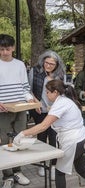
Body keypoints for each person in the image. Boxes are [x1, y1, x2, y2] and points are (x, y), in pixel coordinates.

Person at [13, 80, 85, 188]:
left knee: (59, 172)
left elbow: (43, 126)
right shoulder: (67, 100)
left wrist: (22, 133)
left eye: (47, 92)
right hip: (83, 138)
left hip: (74, 141)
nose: (46, 94)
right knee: (81, 169)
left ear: (55, 92)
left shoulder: (61, 103)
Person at [0, 34, 33, 188]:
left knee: (20, 138)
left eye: (7, 49)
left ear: (13, 48)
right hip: (3, 109)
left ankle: (18, 171)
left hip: (21, 107)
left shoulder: (20, 64)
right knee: (6, 141)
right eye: (1, 49)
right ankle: (7, 175)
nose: (5, 52)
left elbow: (25, 86)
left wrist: (29, 98)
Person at [28, 50, 66, 179]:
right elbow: (29, 88)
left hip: (55, 111)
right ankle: (42, 164)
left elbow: (63, 92)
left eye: (52, 64)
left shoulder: (60, 75)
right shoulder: (35, 71)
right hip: (39, 110)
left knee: (54, 138)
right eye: (46, 62)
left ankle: (54, 166)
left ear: (57, 65)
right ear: (43, 61)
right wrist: (36, 102)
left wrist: (56, 106)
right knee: (41, 138)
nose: (48, 66)